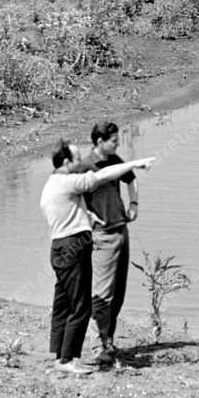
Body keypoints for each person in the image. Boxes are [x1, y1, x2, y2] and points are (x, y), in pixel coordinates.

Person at [39, 138, 154, 375]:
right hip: (73, 247)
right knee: (80, 306)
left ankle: (59, 354)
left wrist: (89, 217)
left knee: (62, 303)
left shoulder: (52, 184)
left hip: (59, 246)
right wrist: (135, 163)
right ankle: (68, 359)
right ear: (65, 162)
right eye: (77, 158)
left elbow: (69, 211)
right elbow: (102, 176)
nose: (81, 162)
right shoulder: (69, 182)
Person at [85, 121, 137, 364]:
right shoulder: (86, 166)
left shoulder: (115, 160)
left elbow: (130, 178)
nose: (117, 144)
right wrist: (89, 217)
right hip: (102, 234)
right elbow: (75, 198)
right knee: (102, 294)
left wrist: (133, 203)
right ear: (99, 142)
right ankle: (97, 347)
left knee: (118, 292)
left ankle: (108, 340)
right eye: (113, 141)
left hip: (121, 229)